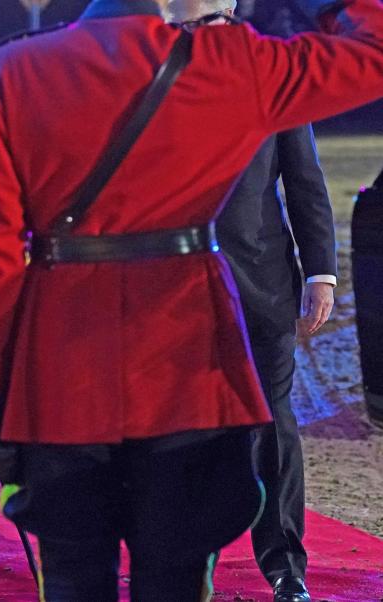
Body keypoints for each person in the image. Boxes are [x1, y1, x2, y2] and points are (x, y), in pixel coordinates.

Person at [0, 0, 383, 599]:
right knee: (178, 574)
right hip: (186, 359)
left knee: (75, 575)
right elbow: (373, 51)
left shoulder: (13, 67)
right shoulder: (229, 62)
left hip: (62, 363)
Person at [168, 5, 336, 602]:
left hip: (261, 287)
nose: (196, 32)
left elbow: (305, 180)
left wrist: (321, 272)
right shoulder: (145, 77)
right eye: (185, 21)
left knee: (272, 426)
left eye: (207, 16)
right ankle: (185, 565)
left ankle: (285, 566)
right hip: (171, 296)